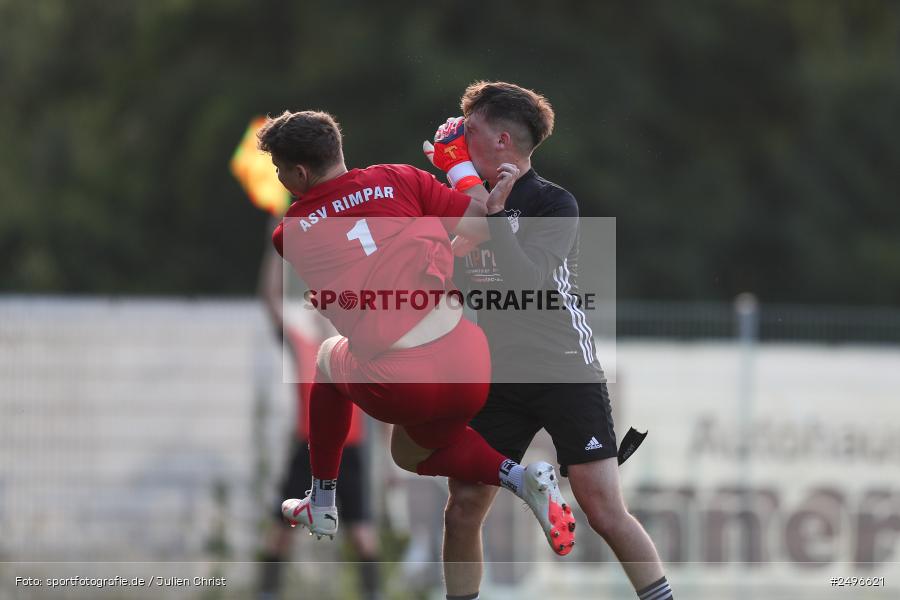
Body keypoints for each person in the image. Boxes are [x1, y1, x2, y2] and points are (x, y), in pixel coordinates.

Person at [257, 110, 576, 557]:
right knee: (411, 453)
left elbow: (350, 274)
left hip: (403, 378)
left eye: (279, 169)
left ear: (300, 172)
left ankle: (323, 500)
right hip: (468, 360)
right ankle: (521, 478)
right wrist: (459, 172)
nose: (279, 176)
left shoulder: (288, 232)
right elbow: (484, 222)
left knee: (328, 356)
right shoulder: (401, 177)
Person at [429, 82, 675, 600]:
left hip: (564, 366)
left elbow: (527, 286)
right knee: (462, 508)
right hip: (498, 373)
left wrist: (494, 218)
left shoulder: (553, 202)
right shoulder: (465, 199)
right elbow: (444, 268)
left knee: (604, 509)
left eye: (466, 129)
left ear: (500, 140)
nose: (454, 136)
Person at [256, 241, 381, 600]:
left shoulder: (357, 347)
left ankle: (372, 594)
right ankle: (268, 593)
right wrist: (276, 248)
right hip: (306, 449)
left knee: (362, 534)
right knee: (280, 530)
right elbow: (269, 299)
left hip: (350, 449)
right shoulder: (301, 345)